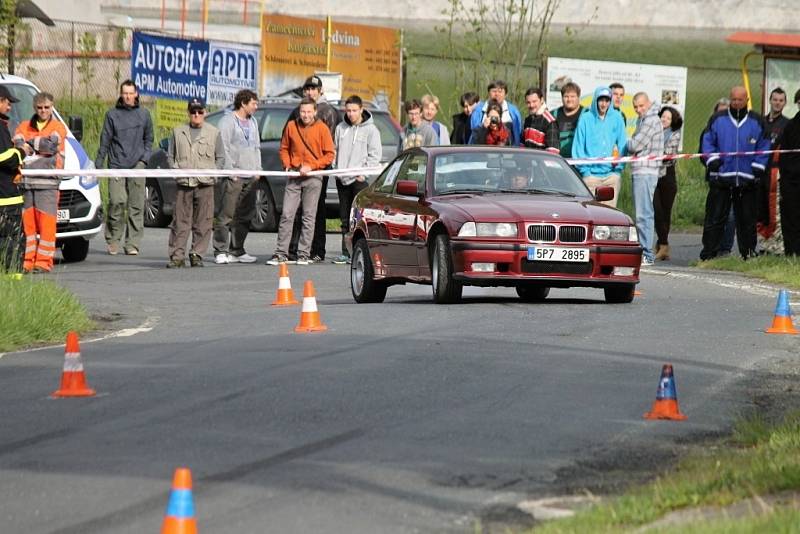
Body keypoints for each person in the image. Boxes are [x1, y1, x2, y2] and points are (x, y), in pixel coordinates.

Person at [699, 86, 770, 260]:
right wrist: (713, 161)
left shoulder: (757, 121)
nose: (736, 103)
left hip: (748, 181)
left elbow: (764, 145)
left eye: (740, 99)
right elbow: (707, 142)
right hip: (721, 179)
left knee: (747, 220)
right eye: (734, 99)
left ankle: (748, 254)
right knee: (714, 218)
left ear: (747, 100)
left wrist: (757, 167)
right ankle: (709, 254)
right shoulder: (717, 119)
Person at [267, 97, 335, 265]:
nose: (305, 115)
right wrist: (287, 165)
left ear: (315, 112)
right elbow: (283, 148)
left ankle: (304, 253)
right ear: (299, 111)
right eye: (303, 112)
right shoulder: (291, 126)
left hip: (314, 177)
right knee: (287, 214)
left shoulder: (322, 128)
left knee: (308, 216)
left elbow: (329, 154)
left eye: (309, 112)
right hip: (294, 177)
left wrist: (313, 166)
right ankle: (280, 252)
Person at [165, 98, 225, 268]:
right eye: (193, 112)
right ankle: (177, 256)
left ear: (205, 112)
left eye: (200, 112)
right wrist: (175, 171)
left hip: (205, 184)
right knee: (180, 221)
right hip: (184, 184)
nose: (196, 115)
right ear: (188, 113)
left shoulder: (214, 133)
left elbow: (220, 158)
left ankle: (197, 254)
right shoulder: (178, 132)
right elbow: (170, 156)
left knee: (204, 222)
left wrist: (214, 175)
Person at [286, 75, 340, 263]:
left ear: (320, 91)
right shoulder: (297, 111)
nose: (310, 91)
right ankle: (294, 249)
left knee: (315, 210)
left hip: (318, 169)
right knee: (296, 211)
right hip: (298, 169)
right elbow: (287, 140)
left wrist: (316, 165)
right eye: (307, 89)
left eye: (313, 89)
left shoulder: (329, 112)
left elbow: (328, 146)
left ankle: (317, 250)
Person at [96, 80, 153, 256]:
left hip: (137, 164)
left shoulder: (144, 114)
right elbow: (105, 140)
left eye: (131, 93)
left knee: (136, 204)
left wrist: (144, 160)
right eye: (125, 93)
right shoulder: (112, 115)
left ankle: (132, 243)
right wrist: (99, 162)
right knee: (117, 201)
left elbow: (149, 139)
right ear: (121, 94)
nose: (128, 96)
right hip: (116, 164)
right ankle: (113, 239)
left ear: (136, 94)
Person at [12, 92, 67, 273]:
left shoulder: (58, 127)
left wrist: (30, 144)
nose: (43, 111)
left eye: (47, 107)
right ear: (34, 108)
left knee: (47, 226)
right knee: (28, 226)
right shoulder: (23, 125)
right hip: (27, 183)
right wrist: (36, 145)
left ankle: (43, 262)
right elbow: (18, 145)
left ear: (52, 107)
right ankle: (27, 262)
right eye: (40, 108)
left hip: (48, 183)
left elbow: (51, 146)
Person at [331, 95, 382, 264]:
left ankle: (358, 252)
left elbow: (375, 155)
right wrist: (336, 167)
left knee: (358, 218)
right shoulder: (340, 128)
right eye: (348, 111)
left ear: (361, 110)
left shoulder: (371, 130)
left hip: (359, 180)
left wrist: (364, 173)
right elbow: (334, 150)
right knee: (344, 218)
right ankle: (345, 252)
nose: (351, 114)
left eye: (354, 110)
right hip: (342, 179)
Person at [213, 88, 261, 264]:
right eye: (254, 103)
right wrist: (229, 170)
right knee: (227, 213)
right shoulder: (227, 121)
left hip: (251, 176)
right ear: (243, 103)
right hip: (234, 176)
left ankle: (237, 250)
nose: (256, 107)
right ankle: (220, 249)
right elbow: (222, 147)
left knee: (246, 214)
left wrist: (258, 169)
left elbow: (256, 147)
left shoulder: (253, 121)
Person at [571, 86, 627, 207]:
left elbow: (623, 144)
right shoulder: (586, 118)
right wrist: (585, 172)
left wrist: (617, 170)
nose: (603, 104)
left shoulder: (617, 118)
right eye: (601, 100)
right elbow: (578, 147)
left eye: (607, 100)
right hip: (590, 176)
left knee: (609, 215)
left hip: (611, 176)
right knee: (591, 214)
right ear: (595, 100)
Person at [626, 92, 663, 265]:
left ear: (648, 103)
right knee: (643, 212)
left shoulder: (650, 120)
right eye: (635, 107)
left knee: (644, 214)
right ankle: (645, 252)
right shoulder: (645, 119)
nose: (638, 109)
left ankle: (647, 254)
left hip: (645, 171)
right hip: (641, 170)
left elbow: (635, 145)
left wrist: (624, 140)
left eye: (641, 105)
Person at [757, 87, 790, 254]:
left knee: (775, 210)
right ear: (770, 100)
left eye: (781, 100)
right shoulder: (760, 122)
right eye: (775, 99)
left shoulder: (787, 125)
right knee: (761, 209)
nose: (777, 103)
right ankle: (763, 245)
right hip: (759, 173)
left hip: (775, 175)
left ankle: (777, 247)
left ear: (785, 103)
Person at [0, 85, 25, 273]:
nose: (9, 108)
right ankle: (13, 278)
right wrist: (22, 152)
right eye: (7, 103)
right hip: (6, 197)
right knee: (12, 240)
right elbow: (4, 158)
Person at [653, 106, 683, 261]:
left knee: (665, 213)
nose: (664, 120)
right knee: (656, 210)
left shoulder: (674, 135)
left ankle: (662, 245)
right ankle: (663, 244)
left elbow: (667, 155)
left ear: (673, 122)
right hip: (653, 175)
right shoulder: (654, 132)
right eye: (663, 117)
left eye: (668, 118)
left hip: (667, 176)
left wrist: (652, 154)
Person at [776, 88, 800, 256]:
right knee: (791, 218)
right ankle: (792, 254)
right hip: (792, 181)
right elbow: (783, 158)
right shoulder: (790, 126)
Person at [469, 80, 523, 146]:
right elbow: (473, 134)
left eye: (500, 91)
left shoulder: (513, 111)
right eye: (494, 91)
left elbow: (518, 133)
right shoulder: (478, 111)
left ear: (505, 94)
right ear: (489, 92)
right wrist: (483, 127)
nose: (497, 94)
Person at [521, 87, 559, 153]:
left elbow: (553, 151)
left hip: (542, 162)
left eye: (534, 101)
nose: (531, 105)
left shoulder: (550, 121)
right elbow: (522, 145)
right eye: (528, 102)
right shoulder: (527, 120)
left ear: (541, 100)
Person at [553, 82, 584, 158]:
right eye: (566, 96)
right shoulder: (553, 114)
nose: (569, 99)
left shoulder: (586, 114)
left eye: (572, 96)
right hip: (557, 160)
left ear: (578, 97)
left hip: (579, 161)